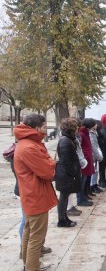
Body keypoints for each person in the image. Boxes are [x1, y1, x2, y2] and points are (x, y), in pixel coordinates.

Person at [13, 114, 57, 270]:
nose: (46, 130)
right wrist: (52, 162)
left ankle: (28, 264)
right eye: (44, 127)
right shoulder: (29, 146)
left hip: (31, 193)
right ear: (36, 127)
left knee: (29, 231)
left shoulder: (27, 143)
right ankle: (32, 267)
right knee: (36, 237)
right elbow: (47, 172)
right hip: (35, 195)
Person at [55, 117, 81, 228]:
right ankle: (62, 220)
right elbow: (66, 161)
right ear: (72, 128)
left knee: (64, 197)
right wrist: (73, 172)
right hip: (65, 174)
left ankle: (64, 218)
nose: (78, 129)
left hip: (66, 173)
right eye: (76, 127)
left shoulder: (69, 139)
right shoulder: (66, 141)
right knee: (63, 197)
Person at [78, 118, 96, 205]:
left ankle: (84, 196)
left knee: (85, 179)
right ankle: (80, 199)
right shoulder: (81, 134)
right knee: (82, 181)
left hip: (87, 159)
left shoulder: (86, 133)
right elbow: (79, 148)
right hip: (84, 161)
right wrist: (84, 157)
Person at [90, 120, 104, 193]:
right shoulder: (90, 133)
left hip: (96, 155)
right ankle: (92, 186)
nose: (96, 125)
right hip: (93, 156)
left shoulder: (94, 133)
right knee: (93, 172)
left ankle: (95, 184)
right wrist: (98, 155)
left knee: (96, 171)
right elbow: (93, 146)